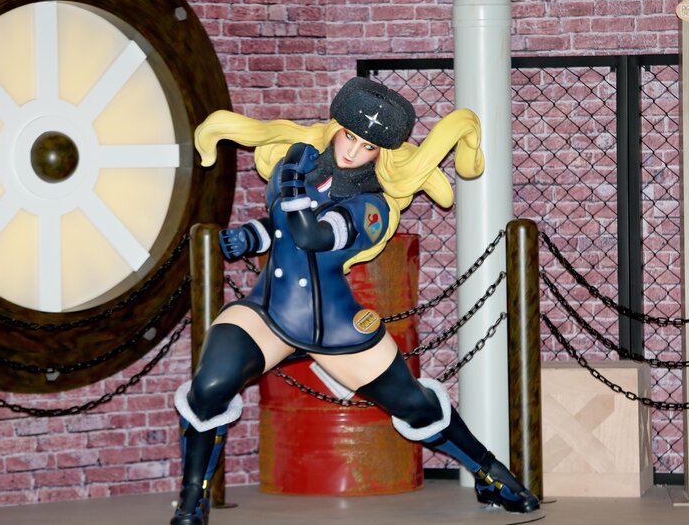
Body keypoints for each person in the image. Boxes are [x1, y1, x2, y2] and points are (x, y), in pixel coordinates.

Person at [170, 77, 540, 524]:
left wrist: (290, 184)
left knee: (415, 404)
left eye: (368, 146)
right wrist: (251, 236)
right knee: (210, 386)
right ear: (335, 129)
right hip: (268, 312)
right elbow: (283, 230)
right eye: (349, 136)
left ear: (381, 154)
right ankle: (192, 499)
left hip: (335, 326)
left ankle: (490, 472)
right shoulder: (303, 169)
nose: (352, 151)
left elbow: (312, 236)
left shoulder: (372, 207)